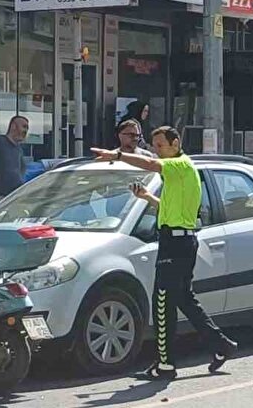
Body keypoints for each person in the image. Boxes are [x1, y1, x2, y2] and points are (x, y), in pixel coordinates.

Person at [90, 127, 238, 378]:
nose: (156, 151)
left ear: (175, 143)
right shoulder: (179, 174)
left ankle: (166, 364)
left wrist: (118, 155)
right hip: (181, 240)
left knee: (163, 300)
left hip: (176, 244)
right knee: (183, 298)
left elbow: (150, 164)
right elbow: (170, 208)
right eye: (155, 145)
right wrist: (147, 197)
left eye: (160, 145)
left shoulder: (179, 165)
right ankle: (221, 345)